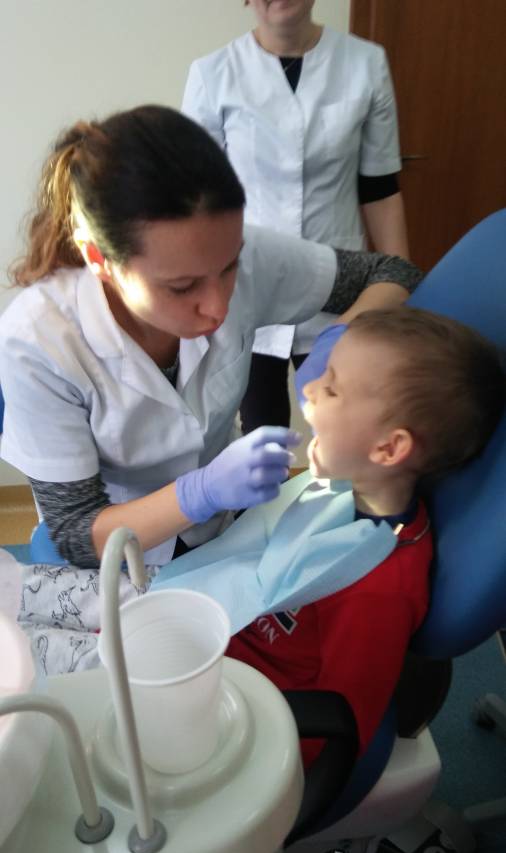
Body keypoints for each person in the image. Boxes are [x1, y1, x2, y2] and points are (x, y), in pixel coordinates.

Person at [13, 308, 505, 770]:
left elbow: (338, 726)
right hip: (206, 599)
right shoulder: (336, 491)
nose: (309, 390)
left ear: (389, 448)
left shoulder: (379, 589)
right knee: (16, 589)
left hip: (210, 683)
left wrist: (252, 782)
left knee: (17, 669)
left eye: (332, 388)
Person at [0, 104, 421, 568]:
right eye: (182, 287)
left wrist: (340, 338)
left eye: (229, 267)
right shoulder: (39, 339)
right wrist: (198, 493)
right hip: (124, 549)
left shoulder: (244, 254)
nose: (218, 306)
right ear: (100, 260)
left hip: (229, 524)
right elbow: (76, 533)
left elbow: (393, 272)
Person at [182, 0, 409, 434]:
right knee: (260, 430)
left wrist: (400, 287)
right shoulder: (212, 74)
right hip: (250, 282)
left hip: (341, 282)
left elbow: (379, 187)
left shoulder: (366, 63)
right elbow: (197, 199)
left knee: (349, 427)